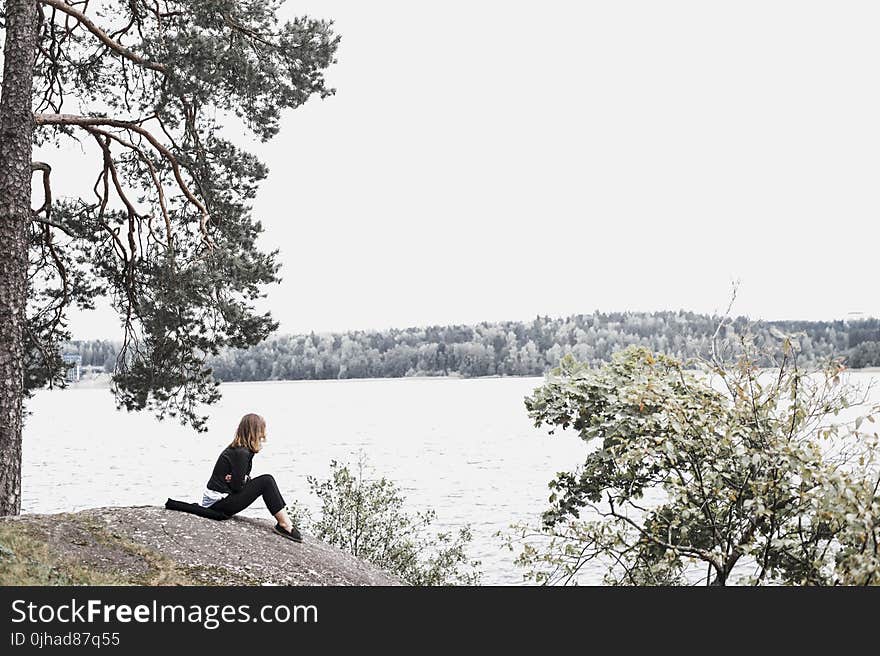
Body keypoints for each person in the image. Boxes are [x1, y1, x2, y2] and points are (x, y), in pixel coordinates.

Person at [200, 413, 302, 542]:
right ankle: (285, 524)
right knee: (266, 481)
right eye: (262, 430)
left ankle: (285, 522)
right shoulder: (241, 453)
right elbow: (237, 487)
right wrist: (241, 480)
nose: (263, 435)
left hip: (219, 500)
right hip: (217, 504)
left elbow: (240, 481)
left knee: (266, 481)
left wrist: (241, 479)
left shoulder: (239, 449)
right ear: (255, 431)